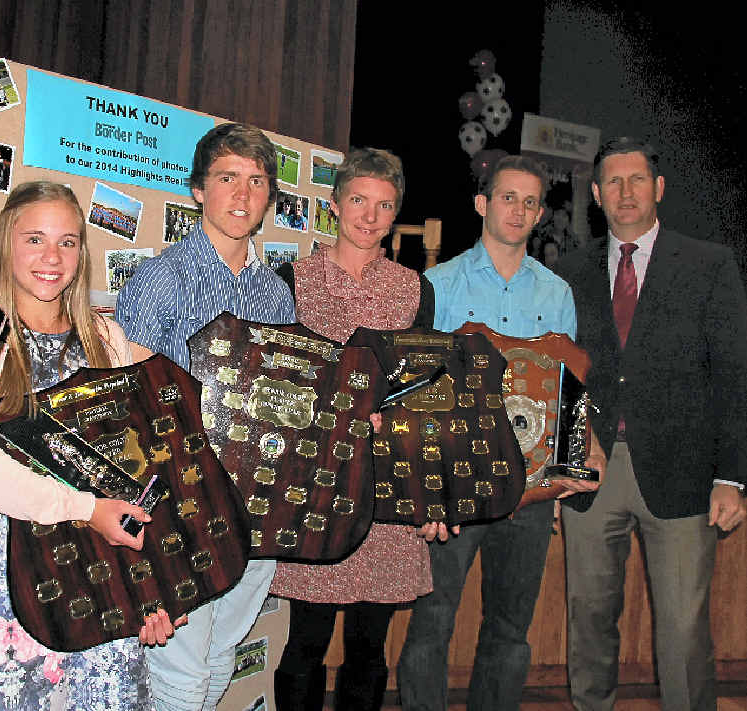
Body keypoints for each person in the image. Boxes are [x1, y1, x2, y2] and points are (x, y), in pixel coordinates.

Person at [0, 181, 177, 711]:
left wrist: (159, 582)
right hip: (9, 580)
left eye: (68, 242)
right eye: (35, 239)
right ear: (6, 242)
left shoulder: (106, 338)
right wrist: (81, 508)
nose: (52, 257)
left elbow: (145, 460)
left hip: (101, 573)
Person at [396, 155, 601, 711]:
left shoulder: (557, 293)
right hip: (455, 490)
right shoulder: (435, 285)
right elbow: (416, 397)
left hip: (532, 498)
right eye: (508, 197)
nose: (519, 210)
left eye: (530, 201)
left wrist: (566, 476)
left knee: (510, 632)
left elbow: (568, 394)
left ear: (539, 214)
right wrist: (425, 491)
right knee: (431, 625)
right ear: (482, 203)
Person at [556, 137, 747, 711]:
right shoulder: (569, 271)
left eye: (637, 179)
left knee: (684, 633)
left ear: (658, 188)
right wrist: (563, 459)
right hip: (591, 474)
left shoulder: (709, 265)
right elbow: (561, 371)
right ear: (595, 194)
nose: (625, 192)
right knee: (589, 623)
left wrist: (732, 477)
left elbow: (735, 373)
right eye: (612, 182)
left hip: (685, 476)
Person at [115, 122, 295, 711]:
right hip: (178, 502)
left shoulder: (276, 295)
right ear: (197, 190)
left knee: (222, 654)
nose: (243, 196)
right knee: (183, 674)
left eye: (257, 181)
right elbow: (127, 403)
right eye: (227, 178)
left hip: (254, 501)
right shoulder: (160, 279)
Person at [268, 147, 438, 711]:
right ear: (335, 203)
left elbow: (422, 387)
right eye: (359, 200)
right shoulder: (293, 278)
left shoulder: (416, 289)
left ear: (395, 214)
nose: (370, 215)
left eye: (384, 205)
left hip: (387, 489)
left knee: (370, 649)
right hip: (315, 484)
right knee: (305, 644)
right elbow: (278, 383)